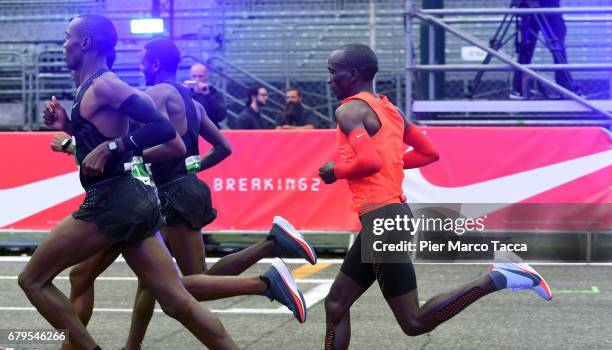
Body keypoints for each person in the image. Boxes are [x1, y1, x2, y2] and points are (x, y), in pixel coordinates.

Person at [63, 37, 316, 350]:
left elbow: (130, 139)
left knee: (179, 285)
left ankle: (267, 269)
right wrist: (192, 167)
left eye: (142, 60)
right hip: (189, 187)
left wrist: (110, 152)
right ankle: (132, 346)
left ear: (154, 64)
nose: (140, 66)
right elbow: (224, 147)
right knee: (153, 281)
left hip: (164, 193)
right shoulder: (193, 102)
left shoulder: (154, 94)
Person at [18, 13, 243, 350]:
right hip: (131, 203)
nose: (62, 44)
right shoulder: (89, 86)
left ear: (85, 43)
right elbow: (100, 139)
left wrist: (113, 147)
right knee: (175, 301)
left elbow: (163, 130)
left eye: (67, 36)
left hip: (112, 202)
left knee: (32, 279)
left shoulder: (106, 84)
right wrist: (69, 126)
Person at [318, 43, 553, 350]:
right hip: (387, 218)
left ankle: (499, 277)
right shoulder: (391, 110)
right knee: (336, 304)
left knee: (414, 322)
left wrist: (335, 170)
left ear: (352, 74)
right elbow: (430, 153)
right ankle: (501, 276)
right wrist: (393, 161)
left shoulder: (349, 109)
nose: (328, 79)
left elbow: (370, 163)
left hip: (383, 221)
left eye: (331, 72)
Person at [511, 0, 578, 99]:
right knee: (526, 50)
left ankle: (565, 87)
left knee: (557, 49)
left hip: (549, 9)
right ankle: (519, 88)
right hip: (531, 10)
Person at [186, 63, 227, 128]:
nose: (197, 80)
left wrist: (208, 96)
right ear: (190, 76)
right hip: (191, 130)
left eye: (200, 76)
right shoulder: (186, 92)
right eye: (194, 76)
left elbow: (221, 116)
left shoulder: (215, 93)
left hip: (211, 130)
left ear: (206, 77)